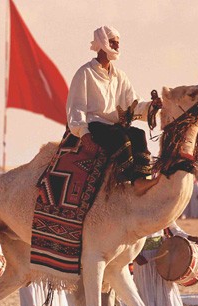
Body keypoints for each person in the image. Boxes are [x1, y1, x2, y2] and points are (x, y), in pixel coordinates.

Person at [66, 26, 162, 188]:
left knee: (139, 134)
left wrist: (152, 107)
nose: (117, 46)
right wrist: (83, 133)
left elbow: (133, 104)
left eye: (118, 43)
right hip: (94, 125)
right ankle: (126, 179)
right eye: (113, 42)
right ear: (102, 43)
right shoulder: (85, 73)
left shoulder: (120, 76)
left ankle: (140, 181)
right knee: (121, 138)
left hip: (114, 127)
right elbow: (76, 107)